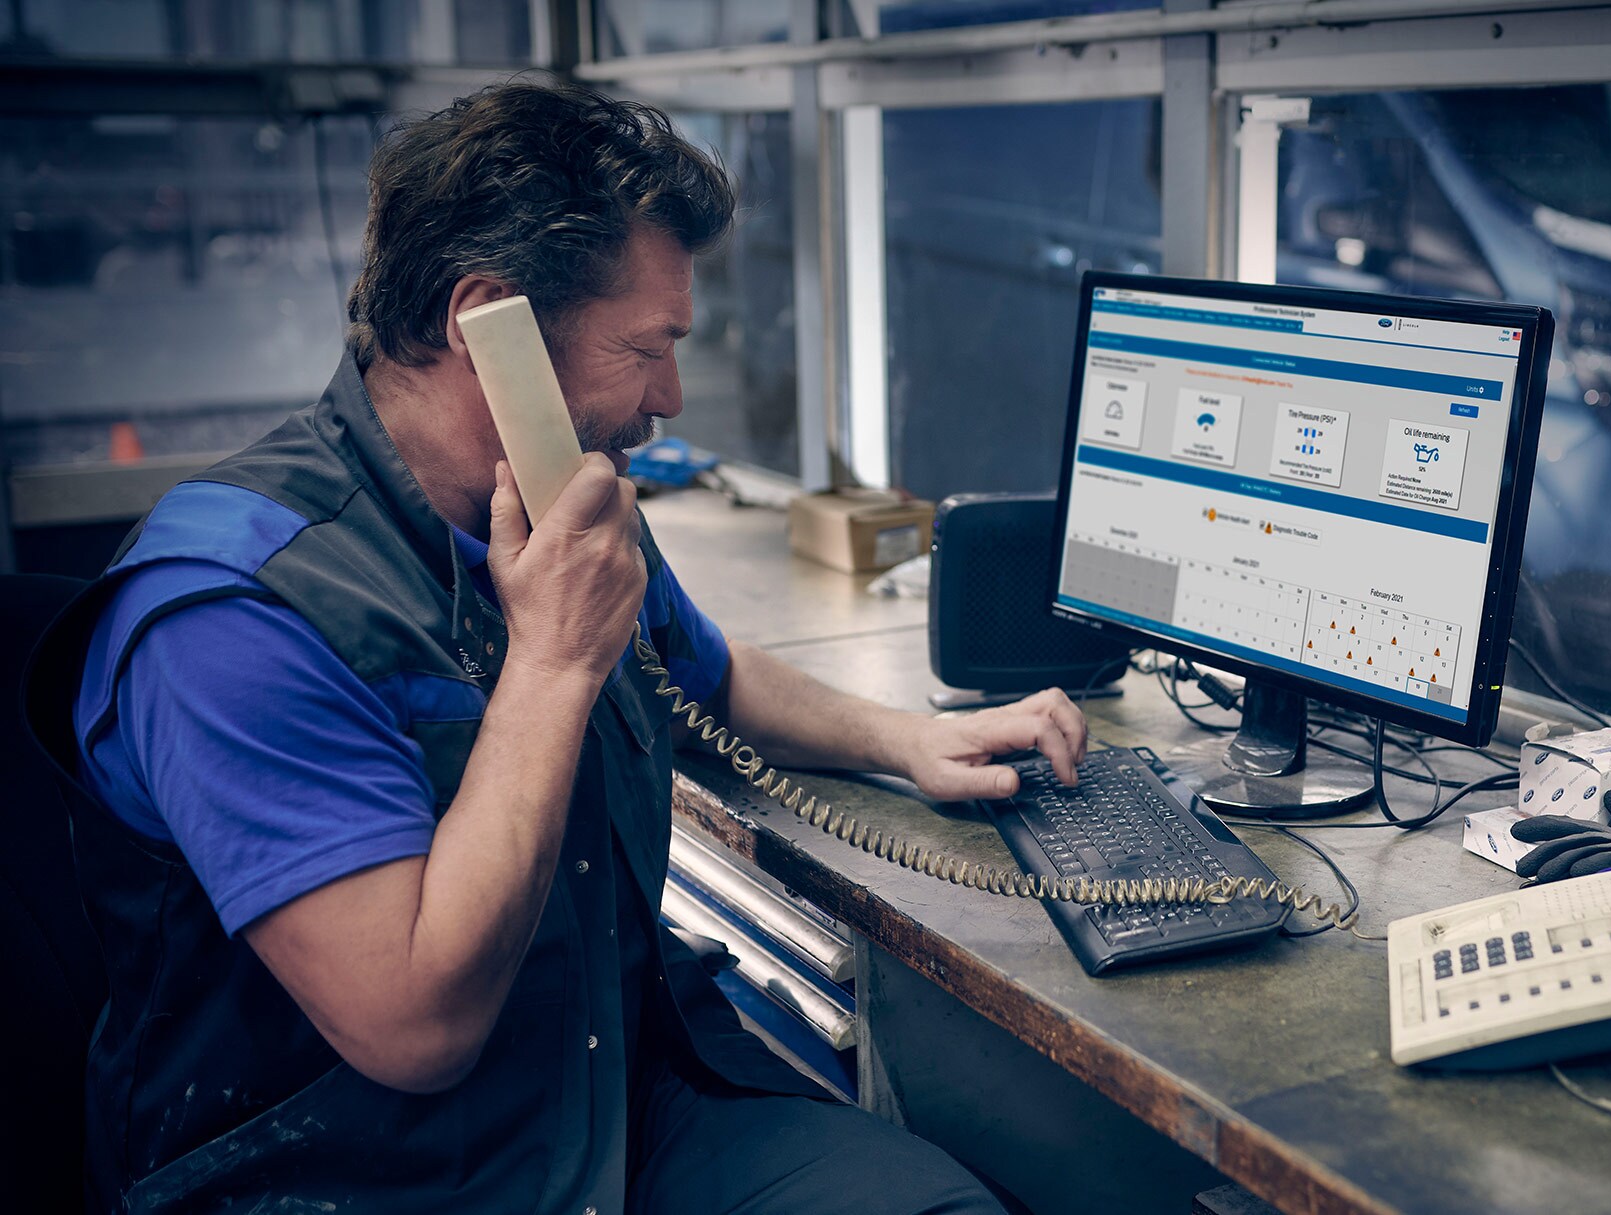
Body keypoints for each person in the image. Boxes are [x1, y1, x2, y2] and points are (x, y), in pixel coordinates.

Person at [33, 81, 1086, 1213]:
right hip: (359, 1172)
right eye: (647, 348)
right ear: (489, 323)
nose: (672, 398)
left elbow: (709, 671)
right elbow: (415, 1025)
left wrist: (910, 739)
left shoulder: (554, 512)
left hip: (620, 1099)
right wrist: (549, 664)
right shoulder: (231, 617)